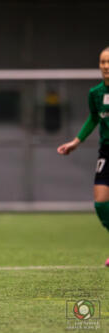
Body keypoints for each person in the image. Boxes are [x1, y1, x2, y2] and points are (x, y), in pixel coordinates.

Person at [57, 46, 109, 265]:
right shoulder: (95, 93)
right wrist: (75, 142)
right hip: (106, 152)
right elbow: (94, 119)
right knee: (100, 203)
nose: (106, 66)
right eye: (102, 62)